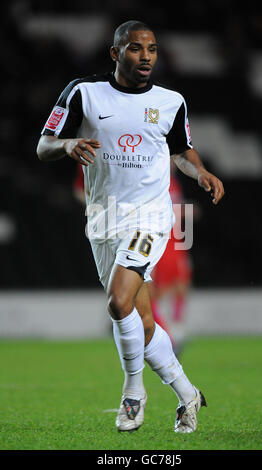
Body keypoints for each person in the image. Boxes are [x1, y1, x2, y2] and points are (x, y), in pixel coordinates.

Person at [37, 20, 225, 434]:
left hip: (150, 218)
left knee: (118, 302)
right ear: (115, 53)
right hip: (104, 219)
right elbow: (43, 144)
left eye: (152, 49)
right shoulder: (83, 93)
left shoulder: (172, 101)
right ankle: (187, 393)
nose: (146, 57)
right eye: (137, 49)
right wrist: (68, 144)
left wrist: (201, 173)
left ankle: (133, 393)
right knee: (140, 321)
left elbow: (180, 152)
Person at [148, 160, 196, 354]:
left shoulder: (173, 183)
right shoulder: (152, 182)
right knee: (154, 290)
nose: (172, 163)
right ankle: (166, 333)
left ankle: (174, 329)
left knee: (181, 284)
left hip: (176, 243)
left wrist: (184, 210)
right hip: (159, 242)